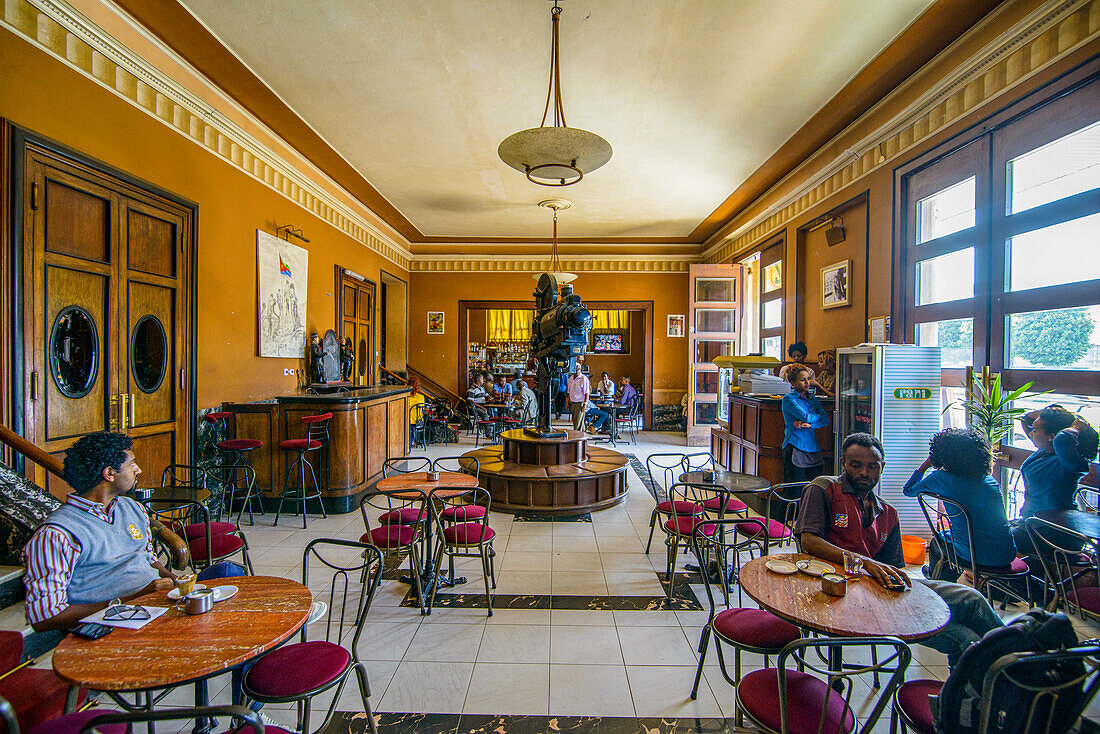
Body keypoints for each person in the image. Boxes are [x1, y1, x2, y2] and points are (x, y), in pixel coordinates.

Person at [795, 433, 1006, 668]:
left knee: (973, 599)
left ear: (882, 468)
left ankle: (1021, 661)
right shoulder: (824, 488)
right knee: (967, 641)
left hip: (881, 594)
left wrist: (895, 585)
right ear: (843, 463)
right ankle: (986, 688)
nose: (864, 473)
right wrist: (865, 563)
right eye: (855, 465)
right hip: (837, 591)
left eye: (872, 467)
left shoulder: (888, 513)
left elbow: (894, 569)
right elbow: (809, 541)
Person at [22, 432, 176, 632]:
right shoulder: (56, 535)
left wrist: (173, 579)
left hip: (158, 608)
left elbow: (147, 556)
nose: (138, 470)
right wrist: (129, 599)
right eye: (132, 464)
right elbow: (44, 617)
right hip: (112, 627)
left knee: (226, 573)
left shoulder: (131, 508)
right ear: (109, 473)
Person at [902, 428, 1016, 579]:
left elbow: (908, 490)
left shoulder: (941, 478)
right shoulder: (989, 481)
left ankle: (937, 580)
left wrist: (925, 465)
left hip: (972, 556)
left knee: (938, 542)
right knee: (950, 538)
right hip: (1006, 554)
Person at [1012, 406, 1098, 552]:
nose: (1031, 433)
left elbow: (1062, 439)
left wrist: (1076, 426)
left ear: (1051, 436)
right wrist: (1050, 412)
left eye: (1035, 430)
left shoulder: (1069, 461)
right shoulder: (1044, 451)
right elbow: (1026, 419)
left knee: (992, 539)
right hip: (1035, 524)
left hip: (1057, 530)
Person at [781, 365, 829, 482]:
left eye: (808, 379)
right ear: (793, 382)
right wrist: (817, 416)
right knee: (794, 488)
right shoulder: (789, 399)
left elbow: (826, 420)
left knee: (814, 486)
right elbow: (805, 417)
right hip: (795, 445)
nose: (807, 382)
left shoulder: (813, 399)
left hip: (812, 446)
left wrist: (811, 425)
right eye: (803, 380)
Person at [567, 363, 591, 431]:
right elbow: (569, 392)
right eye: (576, 369)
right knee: (577, 422)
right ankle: (583, 439)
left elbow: (587, 392)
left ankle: (577, 440)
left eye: (579, 369)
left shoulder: (583, 378)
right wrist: (567, 402)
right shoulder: (570, 379)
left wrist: (585, 404)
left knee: (577, 424)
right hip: (573, 402)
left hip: (580, 403)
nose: (577, 370)